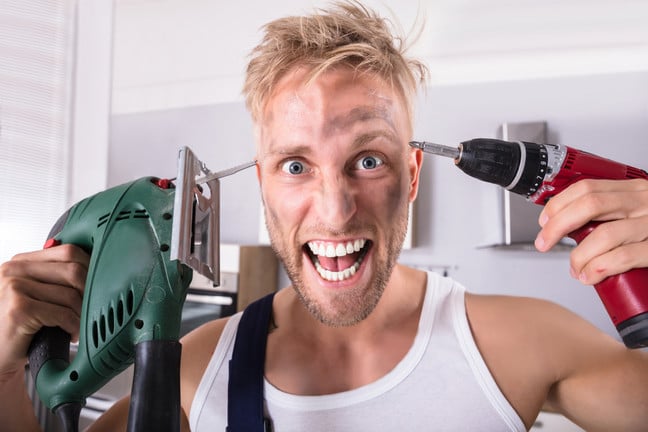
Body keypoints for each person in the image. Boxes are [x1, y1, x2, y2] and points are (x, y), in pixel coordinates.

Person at [2, 1, 648, 431]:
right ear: (260, 186)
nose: (336, 211)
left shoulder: (522, 343)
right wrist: (4, 362)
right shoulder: (191, 369)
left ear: (413, 177)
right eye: (295, 165)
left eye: (368, 160)